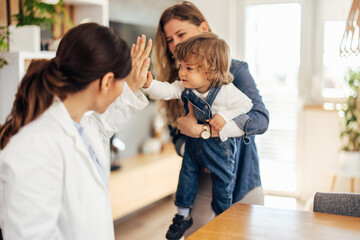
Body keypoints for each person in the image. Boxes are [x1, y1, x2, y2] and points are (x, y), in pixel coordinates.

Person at [0, 22, 152, 240]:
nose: (121, 89)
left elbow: (101, 127)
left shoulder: (80, 126)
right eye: (121, 82)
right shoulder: (34, 147)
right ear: (107, 81)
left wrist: (131, 86)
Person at [154, 1, 270, 237]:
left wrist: (203, 132)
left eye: (181, 34)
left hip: (242, 176)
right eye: (169, 40)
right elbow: (177, 137)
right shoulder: (179, 81)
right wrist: (193, 147)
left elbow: (260, 118)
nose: (175, 44)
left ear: (203, 28)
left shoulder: (235, 71)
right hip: (201, 178)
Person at [144, 32, 253, 239]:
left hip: (220, 150)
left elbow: (246, 105)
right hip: (194, 146)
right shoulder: (185, 86)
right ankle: (182, 216)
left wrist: (224, 117)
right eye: (181, 67)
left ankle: (224, 218)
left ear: (210, 72)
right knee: (186, 177)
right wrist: (149, 84)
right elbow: (166, 90)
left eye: (189, 68)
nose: (181, 72)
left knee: (223, 185)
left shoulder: (226, 91)